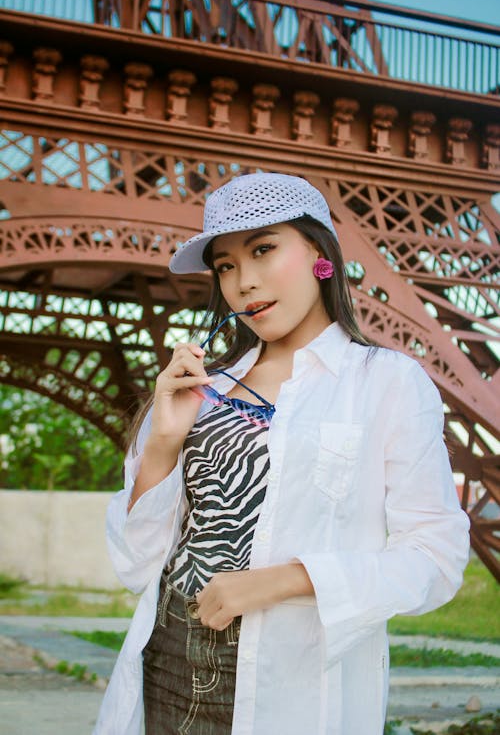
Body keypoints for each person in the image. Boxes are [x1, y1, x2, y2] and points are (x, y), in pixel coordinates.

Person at [93, 173, 470, 735]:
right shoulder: (201, 388)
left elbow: (436, 559)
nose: (243, 282)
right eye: (224, 265)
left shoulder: (387, 383)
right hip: (163, 668)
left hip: (289, 694)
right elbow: (135, 564)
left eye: (264, 249)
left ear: (320, 253)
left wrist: (285, 580)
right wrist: (164, 443)